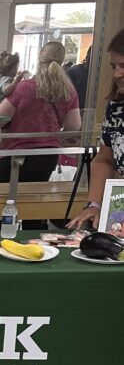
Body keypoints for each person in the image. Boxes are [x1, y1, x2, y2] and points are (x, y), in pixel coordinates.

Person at [0, 41, 81, 183]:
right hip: (47, 155)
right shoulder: (68, 91)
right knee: (35, 199)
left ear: (40, 59)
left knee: (7, 200)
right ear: (61, 60)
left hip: (16, 155)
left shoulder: (24, 87)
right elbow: (74, 126)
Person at [68, 29, 124, 230]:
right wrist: (94, 204)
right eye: (113, 66)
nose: (117, 73)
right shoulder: (116, 108)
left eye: (123, 66)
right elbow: (104, 159)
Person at [67, 46, 91, 111]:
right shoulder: (73, 71)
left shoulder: (99, 76)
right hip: (73, 111)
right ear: (87, 55)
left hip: (89, 111)